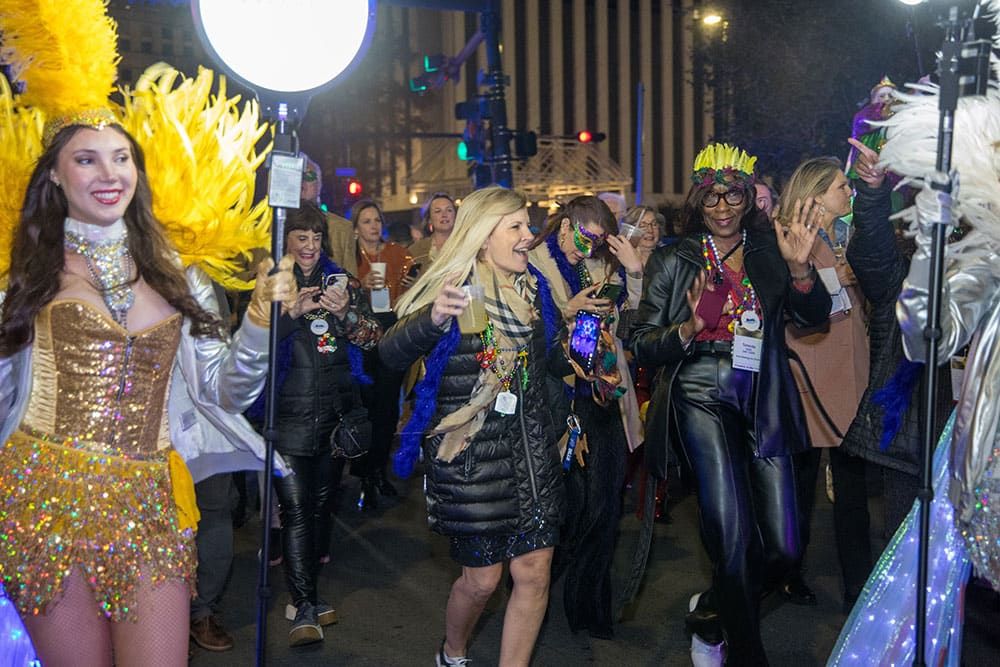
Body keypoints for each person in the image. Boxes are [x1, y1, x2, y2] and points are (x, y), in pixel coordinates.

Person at [0, 71, 294, 667]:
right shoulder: (22, 275)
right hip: (43, 497)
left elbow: (223, 393)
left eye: (121, 158)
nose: (109, 175)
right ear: (53, 174)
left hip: (149, 499)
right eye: (86, 160)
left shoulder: (181, 272)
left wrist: (258, 325)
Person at [830, 35, 1000, 658]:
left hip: (969, 441)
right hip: (928, 436)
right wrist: (884, 198)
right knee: (929, 597)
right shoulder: (949, 242)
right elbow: (897, 295)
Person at [631, 143, 830, 665]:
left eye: (733, 196)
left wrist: (801, 270)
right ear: (698, 202)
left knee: (785, 547)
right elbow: (642, 343)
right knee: (732, 537)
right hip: (699, 390)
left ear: (748, 198)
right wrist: (688, 327)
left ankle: (713, 611)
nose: (722, 207)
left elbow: (815, 318)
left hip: (763, 390)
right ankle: (745, 653)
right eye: (711, 197)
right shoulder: (674, 258)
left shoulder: (772, 251)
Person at [380, 186, 569, 667]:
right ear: (484, 237)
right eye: (516, 227)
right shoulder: (453, 288)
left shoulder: (536, 289)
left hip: (530, 453)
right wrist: (432, 319)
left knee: (535, 572)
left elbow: (549, 363)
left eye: (527, 225)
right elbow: (388, 353)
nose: (528, 235)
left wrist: (584, 344)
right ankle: (453, 651)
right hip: (472, 459)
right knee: (483, 580)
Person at [248, 200, 381, 646]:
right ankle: (304, 604)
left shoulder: (340, 282)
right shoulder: (271, 283)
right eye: (301, 237)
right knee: (297, 510)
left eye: (316, 237)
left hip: (334, 419)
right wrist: (291, 316)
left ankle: (305, 594)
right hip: (287, 419)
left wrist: (344, 314)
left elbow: (372, 339)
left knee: (322, 508)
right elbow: (249, 349)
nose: (310, 246)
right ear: (286, 239)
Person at [527, 195, 643, 638]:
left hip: (603, 393)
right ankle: (534, 593)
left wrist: (633, 273)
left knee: (606, 504)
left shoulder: (600, 267)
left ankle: (590, 607)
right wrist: (568, 310)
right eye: (583, 237)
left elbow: (630, 324)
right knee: (569, 507)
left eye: (597, 240)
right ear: (564, 225)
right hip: (558, 400)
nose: (589, 247)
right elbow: (530, 337)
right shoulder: (533, 264)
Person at [775, 157, 870, 609]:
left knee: (853, 487)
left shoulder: (847, 236)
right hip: (809, 374)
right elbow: (792, 300)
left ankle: (858, 586)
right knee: (800, 484)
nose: (848, 193)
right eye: (840, 187)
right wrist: (839, 277)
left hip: (851, 372)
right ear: (815, 195)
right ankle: (786, 572)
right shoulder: (789, 235)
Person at [349, 198, 414, 509]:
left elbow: (413, 289)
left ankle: (378, 471)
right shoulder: (350, 257)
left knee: (387, 407)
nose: (373, 226)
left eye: (376, 220)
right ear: (356, 228)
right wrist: (358, 284)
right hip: (361, 334)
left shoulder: (397, 253)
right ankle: (363, 472)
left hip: (391, 331)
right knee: (365, 405)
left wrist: (409, 285)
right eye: (366, 221)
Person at [408, 192, 457, 275]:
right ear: (429, 219)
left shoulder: (467, 244)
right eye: (438, 211)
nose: (444, 215)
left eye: (449, 210)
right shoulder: (416, 250)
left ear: (455, 216)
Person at [621, 204, 667, 268]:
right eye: (642, 226)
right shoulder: (619, 261)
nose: (650, 230)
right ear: (630, 230)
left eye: (654, 224)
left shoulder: (670, 257)